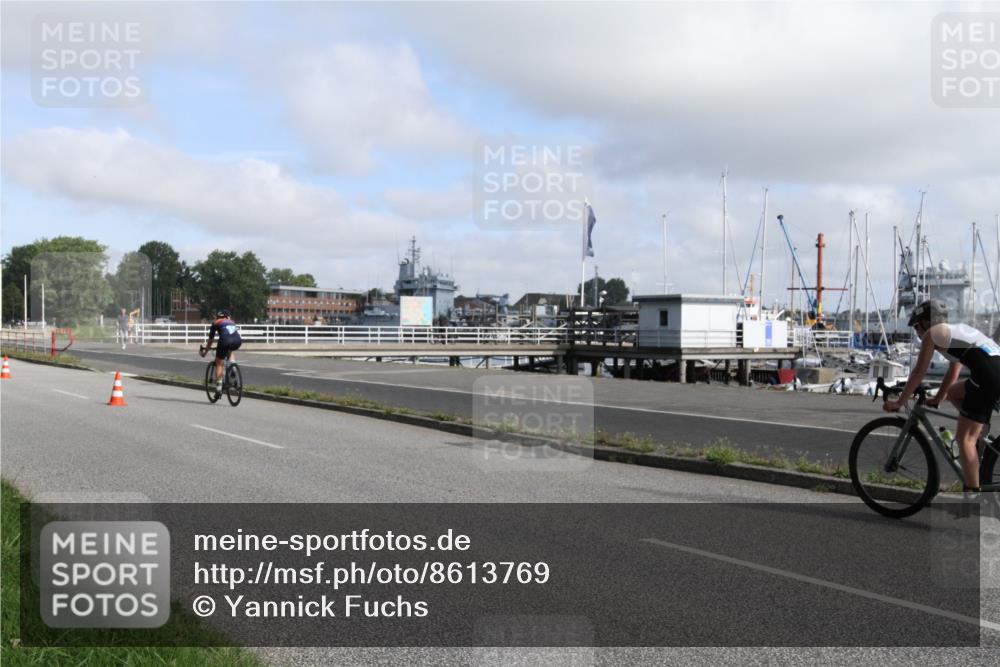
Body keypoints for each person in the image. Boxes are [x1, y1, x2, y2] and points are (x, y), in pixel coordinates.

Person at [884, 299, 1000, 495]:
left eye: (916, 328)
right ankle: (979, 435)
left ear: (925, 323)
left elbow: (919, 372)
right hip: (993, 372)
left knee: (964, 439)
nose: (918, 334)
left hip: (987, 377)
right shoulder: (954, 332)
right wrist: (938, 398)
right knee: (954, 392)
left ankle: (973, 495)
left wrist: (899, 402)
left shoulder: (933, 334)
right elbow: (953, 373)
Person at [201, 309, 242, 395]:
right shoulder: (231, 321)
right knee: (229, 350)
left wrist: (205, 352)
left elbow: (210, 341)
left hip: (225, 340)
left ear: (218, 317)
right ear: (227, 316)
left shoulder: (216, 323)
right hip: (237, 341)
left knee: (219, 363)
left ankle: (219, 388)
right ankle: (233, 367)